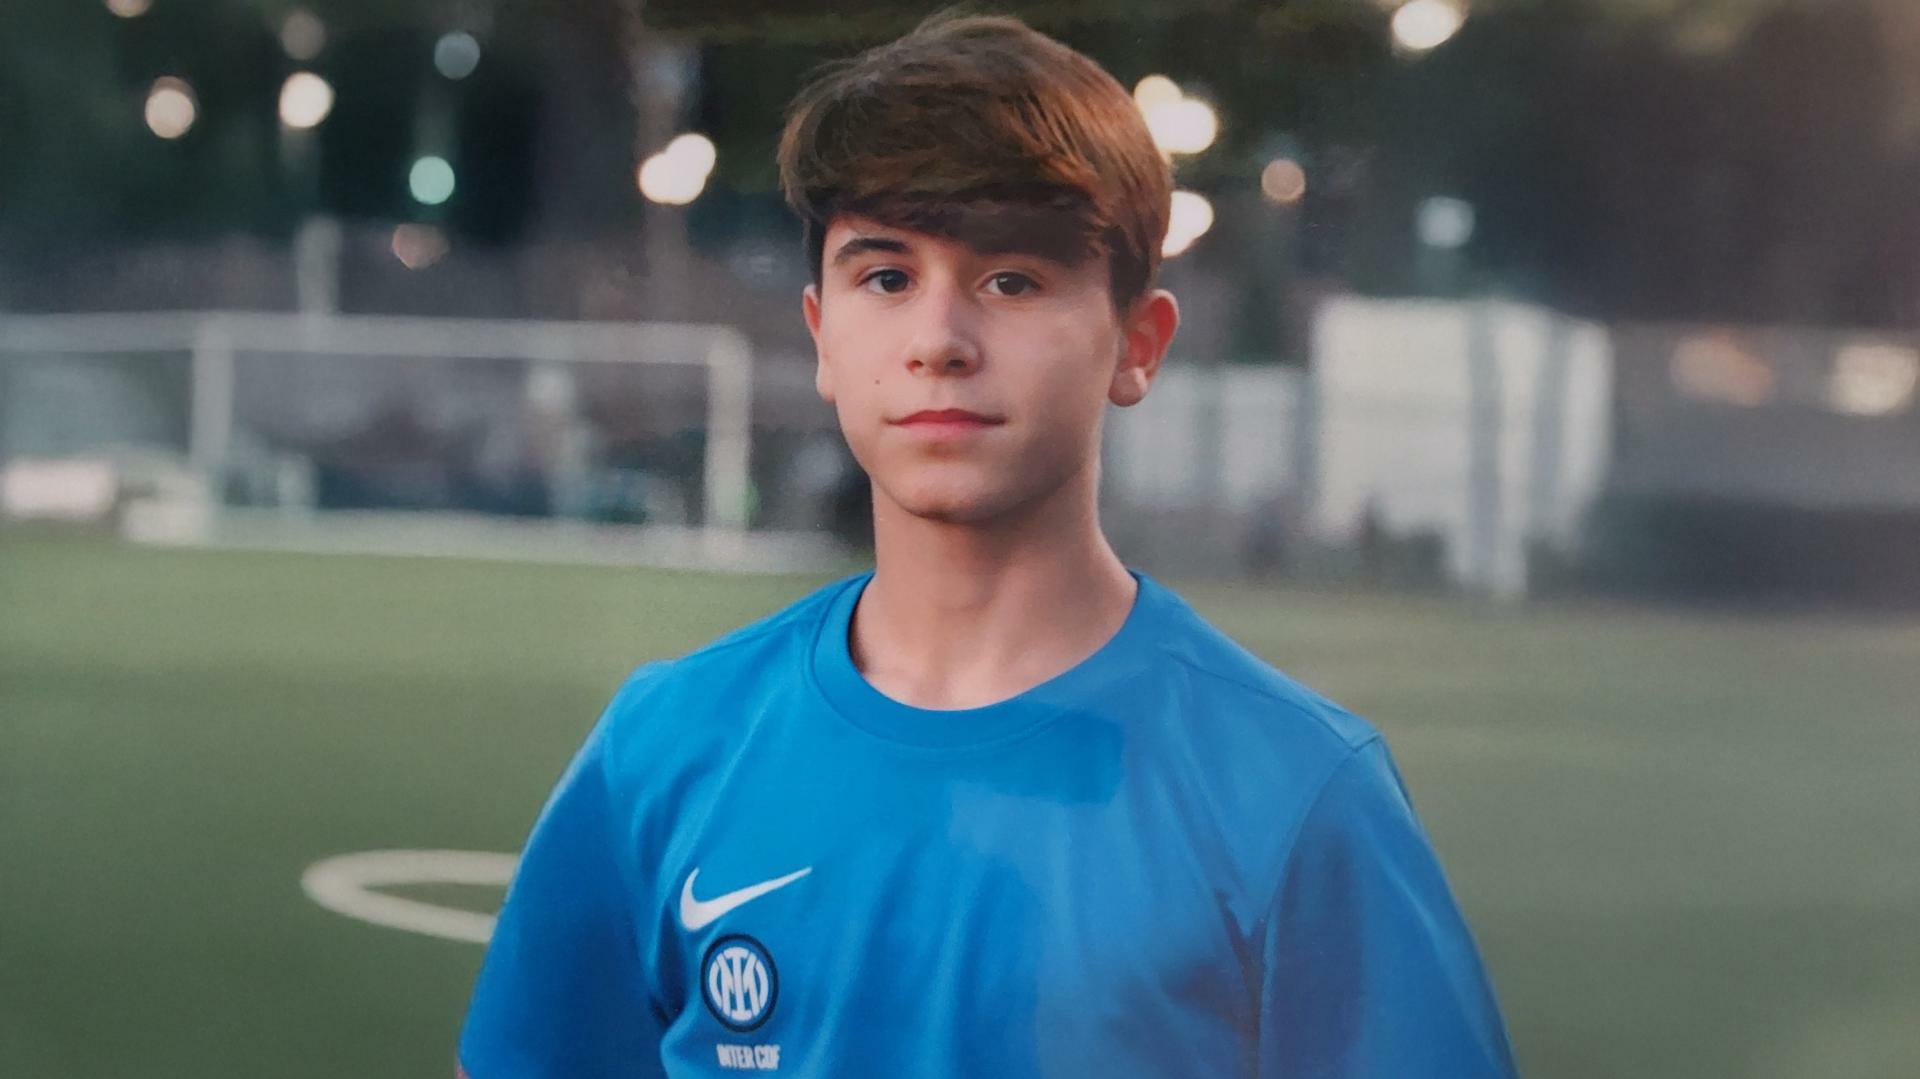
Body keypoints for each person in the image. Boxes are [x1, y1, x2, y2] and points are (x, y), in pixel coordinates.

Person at [458, 12, 1517, 1078]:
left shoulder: (1296, 795)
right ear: (822, 334)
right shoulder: (665, 746)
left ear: (1137, 344)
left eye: (1011, 278)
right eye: (886, 277)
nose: (938, 341)